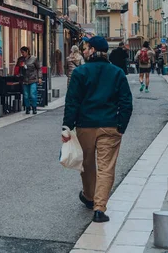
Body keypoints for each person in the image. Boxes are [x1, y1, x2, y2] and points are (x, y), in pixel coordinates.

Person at [62, 36, 133, 223]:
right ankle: (99, 208)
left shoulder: (80, 73)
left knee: (87, 164)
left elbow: (72, 103)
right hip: (110, 126)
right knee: (106, 167)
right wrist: (121, 126)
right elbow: (126, 102)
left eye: (86, 48)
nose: (84, 51)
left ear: (93, 50)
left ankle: (89, 196)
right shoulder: (117, 73)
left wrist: (67, 127)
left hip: (85, 126)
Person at [15, 46, 42, 114]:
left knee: (33, 94)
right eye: (21, 52)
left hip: (33, 79)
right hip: (24, 79)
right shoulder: (21, 59)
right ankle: (27, 108)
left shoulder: (34, 59)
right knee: (26, 95)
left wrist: (39, 77)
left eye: (23, 52)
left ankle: (34, 108)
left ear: (27, 51)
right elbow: (17, 68)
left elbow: (39, 68)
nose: (22, 54)